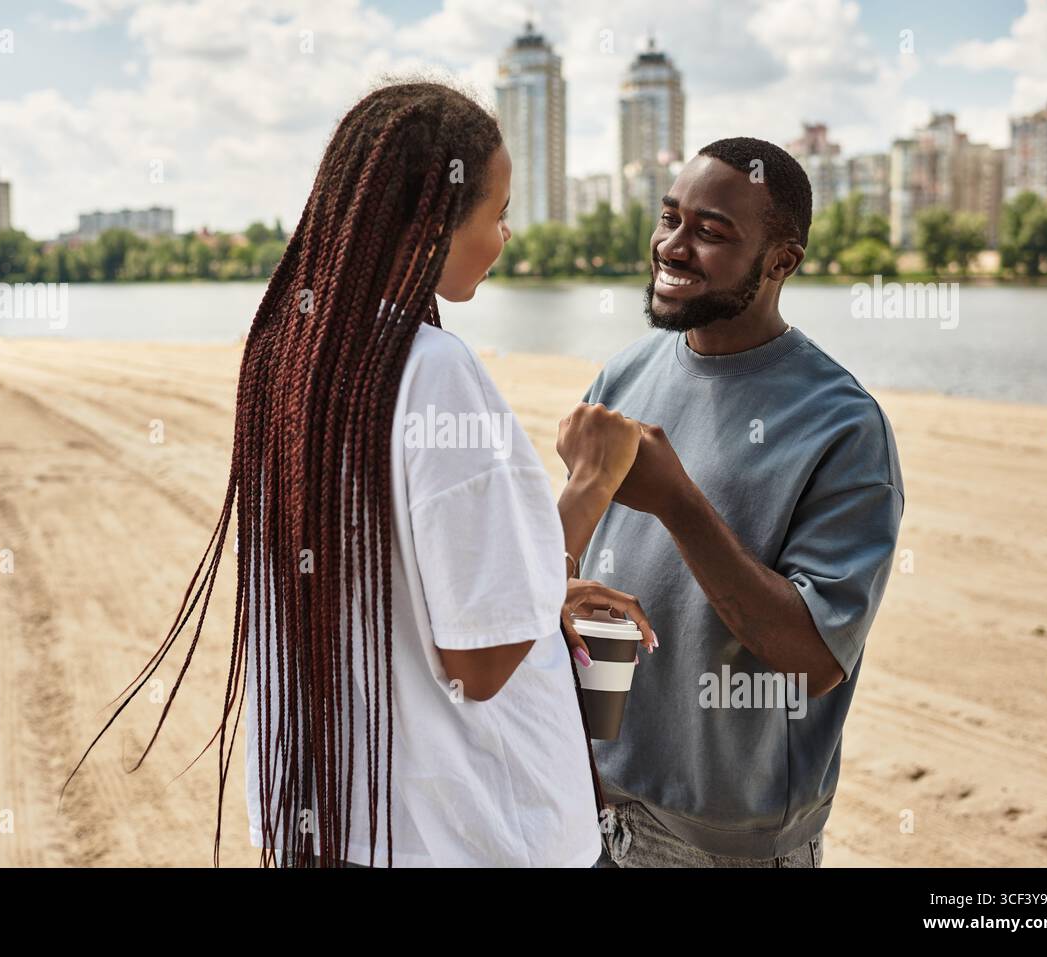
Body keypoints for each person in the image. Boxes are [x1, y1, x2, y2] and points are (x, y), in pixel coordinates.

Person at [62, 80, 655, 867]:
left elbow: (393, 583)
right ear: (433, 225)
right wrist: (592, 483)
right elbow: (481, 663)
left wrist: (536, 585)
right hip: (469, 837)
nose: (507, 235)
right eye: (498, 213)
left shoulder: (287, 359)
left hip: (345, 819)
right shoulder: (433, 369)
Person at [557, 137, 904, 868]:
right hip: (588, 808)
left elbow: (813, 656)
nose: (673, 247)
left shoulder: (843, 424)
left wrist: (678, 502)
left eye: (711, 232)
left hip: (722, 848)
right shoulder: (624, 373)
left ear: (783, 260)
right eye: (670, 219)